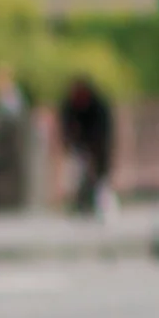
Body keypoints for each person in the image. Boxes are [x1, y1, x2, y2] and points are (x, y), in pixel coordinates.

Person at [56, 76, 116, 217]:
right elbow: (66, 129)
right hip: (79, 147)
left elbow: (104, 133)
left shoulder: (98, 108)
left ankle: (101, 205)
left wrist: (95, 151)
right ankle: (80, 204)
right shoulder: (70, 106)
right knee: (77, 175)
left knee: (100, 179)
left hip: (98, 147)